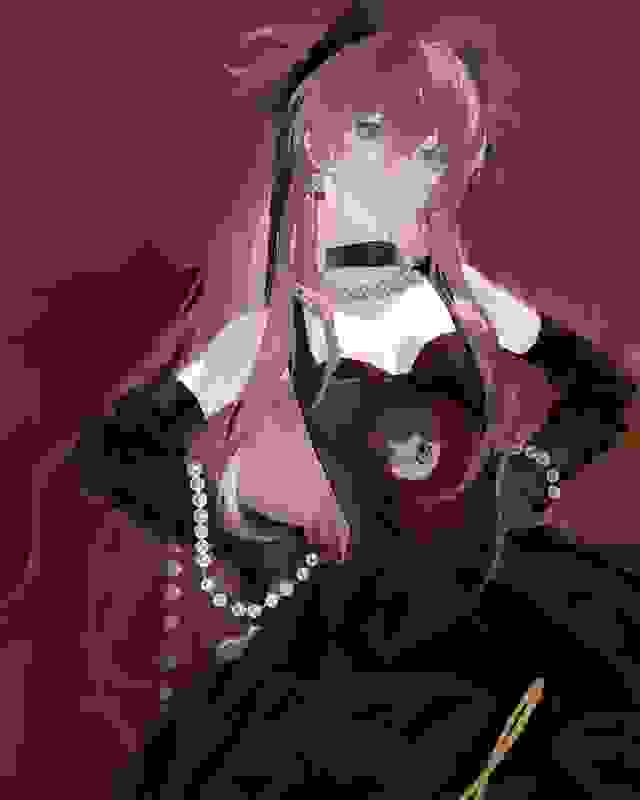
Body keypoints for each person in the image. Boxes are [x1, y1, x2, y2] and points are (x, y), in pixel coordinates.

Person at [68, 14, 638, 799]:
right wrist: (243, 537)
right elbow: (112, 453)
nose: (420, 171)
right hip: (361, 640)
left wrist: (533, 471)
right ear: (322, 148)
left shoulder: (469, 300)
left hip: (517, 600)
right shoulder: (273, 333)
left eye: (436, 150)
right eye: (385, 136)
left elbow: (603, 392)